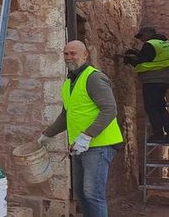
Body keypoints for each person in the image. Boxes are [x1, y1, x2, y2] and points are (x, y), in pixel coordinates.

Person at [37, 40, 123, 217]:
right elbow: (66, 115)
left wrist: (87, 135)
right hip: (79, 147)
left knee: (93, 195)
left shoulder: (94, 77)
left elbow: (110, 109)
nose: (69, 57)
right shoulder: (69, 82)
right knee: (81, 194)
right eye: (66, 53)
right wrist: (47, 134)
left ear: (85, 55)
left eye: (73, 53)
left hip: (99, 145)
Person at [123, 26, 169, 143]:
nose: (141, 40)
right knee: (160, 107)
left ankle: (158, 135)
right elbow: (154, 58)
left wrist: (130, 60)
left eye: (141, 36)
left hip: (153, 80)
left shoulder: (150, 44)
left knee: (152, 108)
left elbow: (142, 61)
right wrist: (136, 52)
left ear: (148, 33)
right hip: (163, 79)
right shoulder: (165, 42)